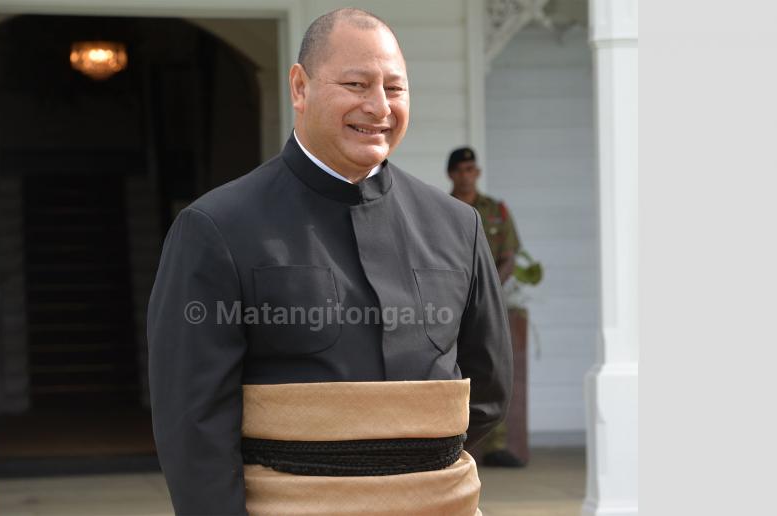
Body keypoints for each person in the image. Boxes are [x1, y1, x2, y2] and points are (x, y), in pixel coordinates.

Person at [148, 8, 512, 515]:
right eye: (357, 83)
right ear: (300, 87)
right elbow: (193, 422)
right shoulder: (216, 227)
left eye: (395, 88)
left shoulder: (458, 225)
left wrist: (410, 469)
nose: (379, 106)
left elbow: (489, 389)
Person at [447, 146, 525, 468]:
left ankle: (496, 444)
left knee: (492, 365)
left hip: (487, 301)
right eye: (460, 170)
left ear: (477, 173)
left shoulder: (496, 210)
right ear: (451, 174)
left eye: (471, 169)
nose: (466, 175)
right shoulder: (441, 208)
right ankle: (450, 436)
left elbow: (509, 255)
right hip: (450, 301)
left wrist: (490, 288)